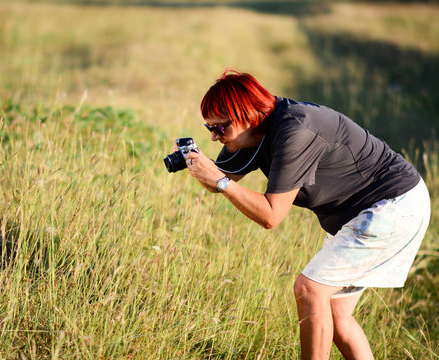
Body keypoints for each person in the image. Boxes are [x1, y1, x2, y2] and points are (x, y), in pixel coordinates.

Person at [182, 69, 430, 360]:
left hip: (392, 204)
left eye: (220, 128)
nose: (213, 137)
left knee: (309, 289)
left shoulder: (295, 130)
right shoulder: (254, 132)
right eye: (208, 128)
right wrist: (195, 163)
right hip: (370, 210)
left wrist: (220, 182)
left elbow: (271, 216)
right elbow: (221, 178)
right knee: (337, 316)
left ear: (246, 115)